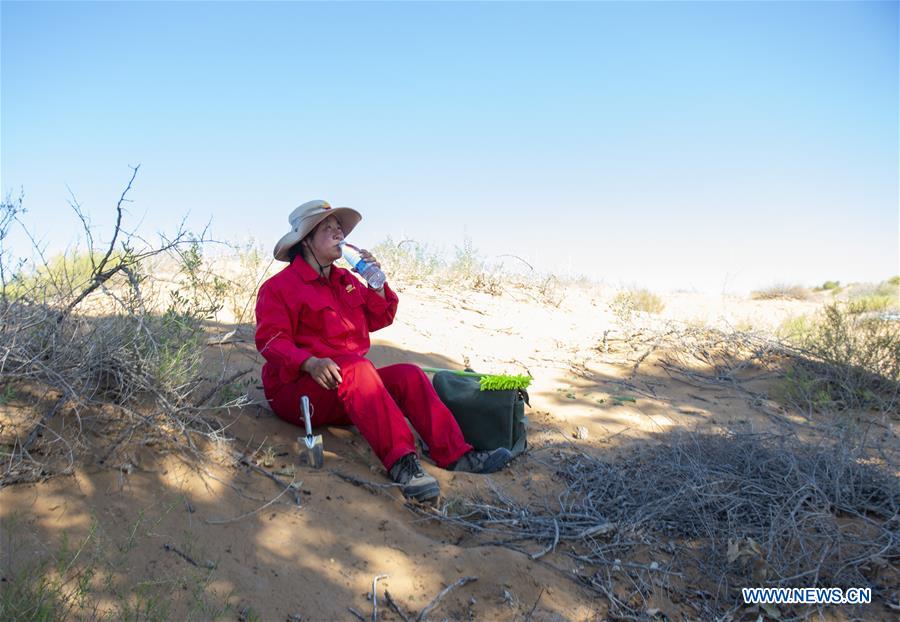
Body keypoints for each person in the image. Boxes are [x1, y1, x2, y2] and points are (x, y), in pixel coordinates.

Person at [255, 200, 512, 502]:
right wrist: (309, 362)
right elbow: (271, 341)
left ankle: (455, 454)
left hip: (349, 386)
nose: (339, 233)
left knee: (409, 375)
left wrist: (377, 284)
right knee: (358, 368)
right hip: (297, 391)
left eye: (340, 228)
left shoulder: (346, 280)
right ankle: (403, 463)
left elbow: (381, 317)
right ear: (306, 240)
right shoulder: (279, 287)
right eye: (328, 228)